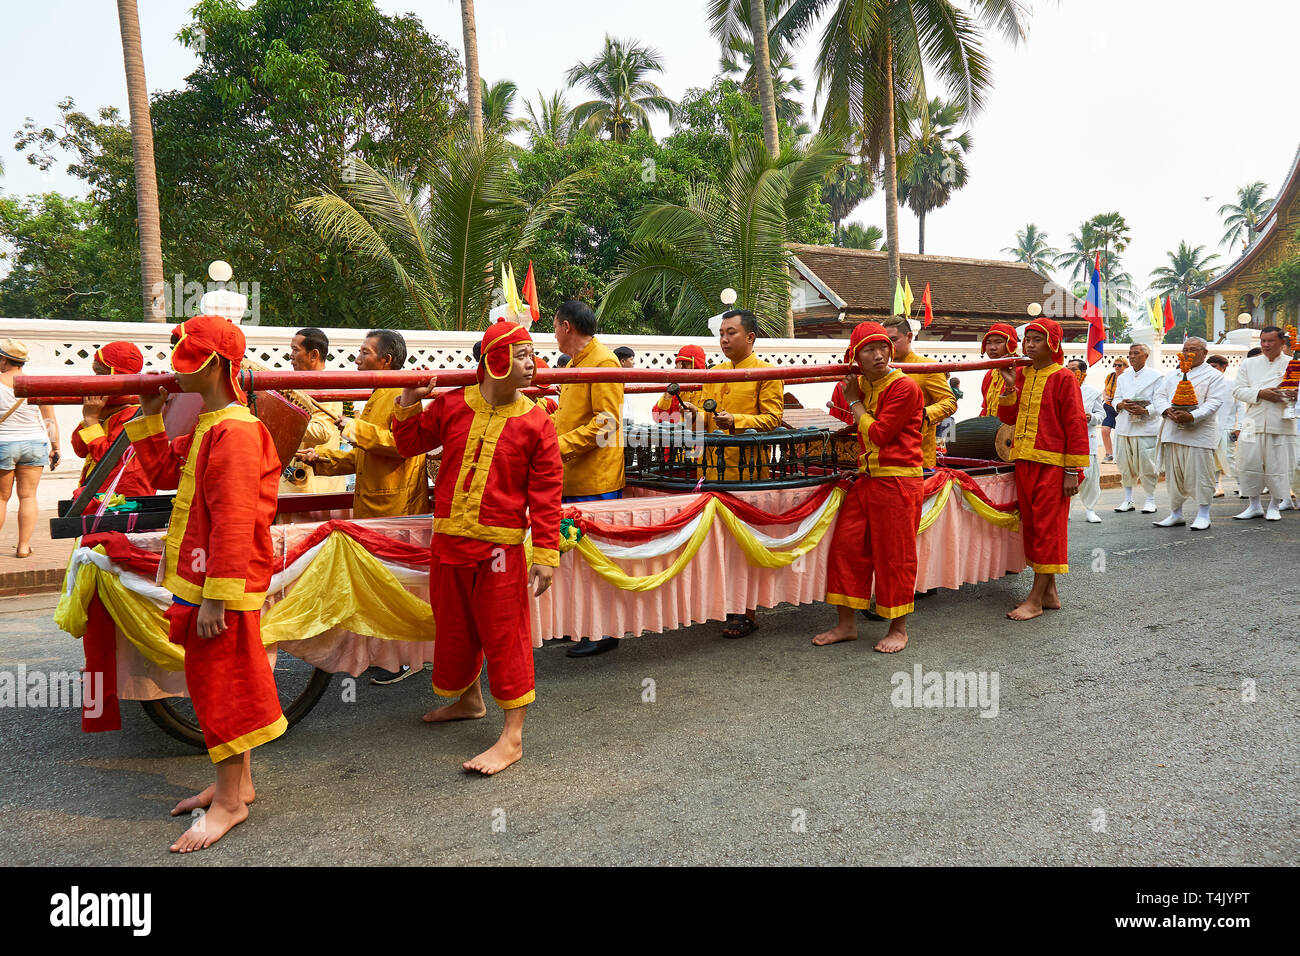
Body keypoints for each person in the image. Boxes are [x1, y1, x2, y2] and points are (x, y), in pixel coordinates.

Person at [123, 315, 285, 852]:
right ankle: (233, 784)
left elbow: (237, 517)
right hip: (205, 579)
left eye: (185, 357)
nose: (174, 370)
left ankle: (231, 802)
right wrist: (149, 418)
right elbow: (167, 474)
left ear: (212, 364)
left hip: (221, 586)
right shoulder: (214, 424)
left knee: (223, 692)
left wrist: (216, 593)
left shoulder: (236, 432)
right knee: (220, 686)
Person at [393, 320, 562, 775]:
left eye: (532, 355)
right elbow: (408, 443)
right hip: (448, 542)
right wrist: (408, 402)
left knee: (506, 636)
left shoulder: (537, 422)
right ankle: (470, 701)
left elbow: (547, 494)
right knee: (455, 627)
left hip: (500, 554)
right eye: (523, 355)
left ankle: (513, 737)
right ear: (495, 360)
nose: (532, 364)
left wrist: (546, 555)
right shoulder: (451, 405)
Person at [299, 328, 430, 684]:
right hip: (376, 503)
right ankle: (384, 655)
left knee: (395, 585)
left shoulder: (402, 394)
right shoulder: (377, 394)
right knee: (378, 584)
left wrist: (355, 429)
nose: (356, 357)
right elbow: (363, 455)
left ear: (386, 360)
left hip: (396, 505)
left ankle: (402, 659)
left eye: (364, 352)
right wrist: (320, 458)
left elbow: (404, 444)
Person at [812, 322, 924, 653]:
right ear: (856, 356)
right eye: (869, 350)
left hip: (899, 480)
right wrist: (849, 397)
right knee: (846, 548)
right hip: (867, 479)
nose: (879, 355)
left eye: (884, 348)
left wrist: (853, 402)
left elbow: (879, 434)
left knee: (895, 557)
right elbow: (838, 413)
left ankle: (899, 629)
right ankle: (846, 625)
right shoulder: (860, 383)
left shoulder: (905, 387)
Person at [679, 309, 783, 639]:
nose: (724, 339)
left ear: (750, 337)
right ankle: (725, 604)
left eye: (731, 332)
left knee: (744, 544)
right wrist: (695, 414)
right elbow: (704, 421)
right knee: (719, 541)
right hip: (714, 467)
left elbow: (772, 418)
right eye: (722, 333)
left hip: (748, 469)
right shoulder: (715, 372)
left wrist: (736, 421)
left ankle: (746, 611)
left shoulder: (767, 373)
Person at [995, 318, 1089, 621]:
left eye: (1037, 339)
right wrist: (1011, 385)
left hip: (1053, 466)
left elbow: (1075, 424)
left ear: (1053, 344)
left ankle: (1035, 599)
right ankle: (1049, 594)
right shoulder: (1022, 374)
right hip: (1023, 460)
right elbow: (1006, 415)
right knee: (1034, 528)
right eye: (1028, 339)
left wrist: (1072, 470)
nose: (1030, 344)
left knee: (1049, 530)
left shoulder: (1063, 377)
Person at [551, 299, 625, 657]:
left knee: (596, 560)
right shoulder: (578, 363)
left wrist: (556, 444)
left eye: (554, 327)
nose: (553, 334)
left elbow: (606, 424)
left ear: (566, 327)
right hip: (573, 477)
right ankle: (580, 625)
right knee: (575, 557)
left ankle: (603, 630)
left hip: (596, 481)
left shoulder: (603, 361)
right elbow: (568, 419)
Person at [1150, 338, 1231, 531]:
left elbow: (1214, 402)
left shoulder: (1214, 376)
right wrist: (1166, 411)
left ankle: (1204, 514)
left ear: (1205, 352)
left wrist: (1192, 416)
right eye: (1185, 349)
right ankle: (1175, 513)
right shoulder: (1173, 374)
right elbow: (1159, 396)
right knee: (1174, 475)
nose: (1188, 353)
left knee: (1200, 475)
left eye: (1193, 350)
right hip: (1172, 430)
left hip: (1199, 433)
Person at [69, 342, 155, 500]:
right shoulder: (105, 409)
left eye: (100, 374)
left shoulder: (134, 413)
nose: (96, 380)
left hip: (122, 497)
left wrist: (91, 420)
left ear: (117, 375)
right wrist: (96, 417)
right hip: (100, 492)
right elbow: (80, 450)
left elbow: (107, 460)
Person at [0, 339, 60, 558]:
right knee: (28, 497)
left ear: (4, 360)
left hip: (3, 444)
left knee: (1, 498)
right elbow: (49, 420)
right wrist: (55, 447)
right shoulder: (36, 384)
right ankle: (23, 547)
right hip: (34, 443)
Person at [1232, 326, 1296, 521]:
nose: (1266, 345)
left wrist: (1294, 396)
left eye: (1271, 341)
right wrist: (1261, 393)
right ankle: (1254, 505)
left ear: (1282, 343)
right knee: (1249, 462)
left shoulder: (1293, 364)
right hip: (1253, 420)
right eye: (1263, 341)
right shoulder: (1249, 364)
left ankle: (1275, 505)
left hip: (1282, 421)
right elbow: (1237, 390)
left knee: (1279, 464)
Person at [882, 316, 956, 469]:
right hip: (885, 453)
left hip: (918, 455)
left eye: (894, 339)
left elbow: (949, 402)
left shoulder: (927, 367)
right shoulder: (880, 370)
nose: (889, 346)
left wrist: (923, 415)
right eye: (885, 342)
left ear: (909, 337)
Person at [282, 328, 346, 495]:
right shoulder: (298, 384)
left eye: (295, 350)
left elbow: (322, 431)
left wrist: (278, 423)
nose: (290, 355)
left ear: (314, 355)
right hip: (292, 484)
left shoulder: (326, 388)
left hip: (315, 486)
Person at [1111, 344, 1162, 513]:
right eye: (1130, 354)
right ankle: (1127, 499)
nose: (1132, 357)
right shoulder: (1124, 377)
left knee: (1147, 464)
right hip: (1124, 426)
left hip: (1145, 427)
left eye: (1136, 353)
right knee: (1124, 465)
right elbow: (1116, 397)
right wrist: (1120, 404)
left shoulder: (1156, 376)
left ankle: (1150, 499)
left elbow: (1161, 400)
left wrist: (1145, 410)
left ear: (1145, 356)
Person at [1067, 358, 1105, 523]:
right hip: (1065, 441)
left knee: (1089, 476)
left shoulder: (1092, 392)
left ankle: (1090, 509)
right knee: (1068, 476)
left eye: (1074, 369)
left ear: (1083, 373)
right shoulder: (1061, 388)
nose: (1070, 372)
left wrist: (1090, 417)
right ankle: (1066, 510)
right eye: (1067, 369)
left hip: (1086, 439)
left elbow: (1101, 415)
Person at [653, 345, 707, 424]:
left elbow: (711, 420)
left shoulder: (708, 387)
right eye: (679, 365)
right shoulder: (676, 388)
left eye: (685, 365)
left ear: (697, 365)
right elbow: (658, 418)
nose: (681, 369)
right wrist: (668, 394)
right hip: (675, 434)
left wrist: (696, 413)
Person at [1206, 354, 1235, 497]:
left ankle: (1243, 486)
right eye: (1209, 367)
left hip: (1228, 426)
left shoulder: (1232, 383)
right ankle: (1218, 487)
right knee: (1213, 459)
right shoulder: (1207, 384)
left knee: (1230, 458)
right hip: (1210, 427)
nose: (1212, 370)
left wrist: (1239, 426)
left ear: (1224, 367)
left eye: (1214, 367)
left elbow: (1240, 407)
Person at [978, 324, 1022, 417]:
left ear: (1010, 344)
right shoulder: (990, 374)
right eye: (988, 343)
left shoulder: (1023, 372)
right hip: (990, 428)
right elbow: (986, 408)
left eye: (998, 342)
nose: (992, 347)